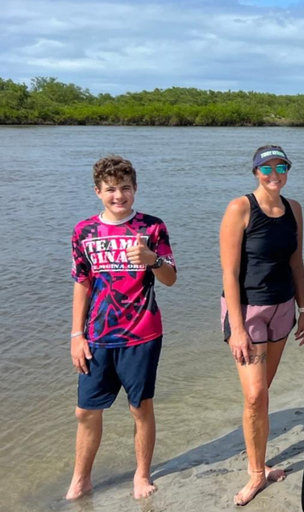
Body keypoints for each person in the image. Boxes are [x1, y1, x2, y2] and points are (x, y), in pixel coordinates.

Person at [67, 155, 177, 501]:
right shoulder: (83, 231)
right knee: (85, 411)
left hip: (142, 332)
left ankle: (141, 475)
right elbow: (82, 282)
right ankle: (81, 479)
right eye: (111, 189)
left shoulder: (151, 227)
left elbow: (171, 278)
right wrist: (76, 335)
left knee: (139, 407)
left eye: (125, 188)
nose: (119, 196)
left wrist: (153, 260)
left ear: (135, 189)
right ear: (97, 191)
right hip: (97, 336)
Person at [219, 144, 304, 506]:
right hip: (248, 311)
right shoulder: (240, 207)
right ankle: (257, 473)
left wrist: (303, 310)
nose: (274, 175)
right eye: (266, 168)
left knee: (262, 393)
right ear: (255, 171)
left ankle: (260, 459)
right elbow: (228, 271)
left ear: (288, 169)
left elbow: (296, 262)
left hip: (283, 309)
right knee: (255, 395)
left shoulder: (294, 209)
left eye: (281, 166)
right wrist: (237, 327)